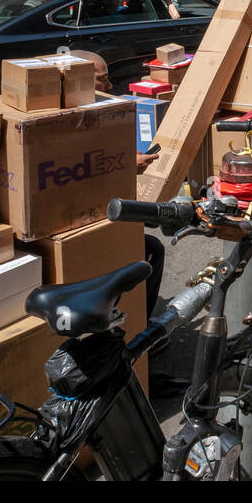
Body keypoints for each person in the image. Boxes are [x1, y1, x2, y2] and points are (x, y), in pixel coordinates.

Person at [66, 48, 166, 312]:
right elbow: (78, 174)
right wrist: (125, 166)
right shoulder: (67, 120)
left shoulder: (79, 112)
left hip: (84, 219)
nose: (110, 85)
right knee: (152, 248)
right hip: (77, 227)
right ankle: (141, 334)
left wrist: (123, 158)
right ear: (82, 81)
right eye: (103, 78)